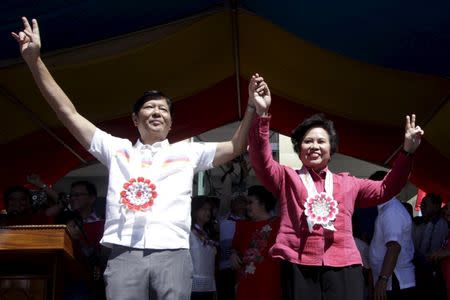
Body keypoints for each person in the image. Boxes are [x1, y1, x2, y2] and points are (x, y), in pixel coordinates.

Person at [12, 17, 257, 300]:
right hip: (123, 253)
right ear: (134, 119)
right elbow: (68, 113)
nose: (156, 112)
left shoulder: (187, 152)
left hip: (173, 254)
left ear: (170, 122)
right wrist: (34, 61)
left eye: (163, 110)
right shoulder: (116, 150)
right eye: (149, 107)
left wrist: (251, 107)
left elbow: (237, 145)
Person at [247, 77, 424, 300]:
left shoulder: (349, 183)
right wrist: (261, 116)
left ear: (331, 150)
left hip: (344, 265)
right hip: (298, 264)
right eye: (307, 141)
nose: (314, 146)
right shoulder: (286, 177)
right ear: (299, 148)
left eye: (321, 142)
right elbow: (260, 161)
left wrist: (407, 153)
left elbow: (386, 189)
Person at [368, 171, 416, 300]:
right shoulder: (386, 209)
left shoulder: (391, 211)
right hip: (391, 280)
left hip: (395, 280)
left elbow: (394, 247)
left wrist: (383, 279)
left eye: (370, 188)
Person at [230, 185, 281, 300]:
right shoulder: (242, 226)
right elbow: (235, 248)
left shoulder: (279, 224)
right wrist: (233, 254)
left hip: (268, 283)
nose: (246, 207)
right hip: (245, 283)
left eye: (250, 202)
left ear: (262, 203)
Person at [190, 196, 218, 300]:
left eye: (209, 209)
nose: (208, 212)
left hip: (208, 286)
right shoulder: (189, 233)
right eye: (204, 209)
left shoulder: (206, 233)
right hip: (194, 287)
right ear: (195, 210)